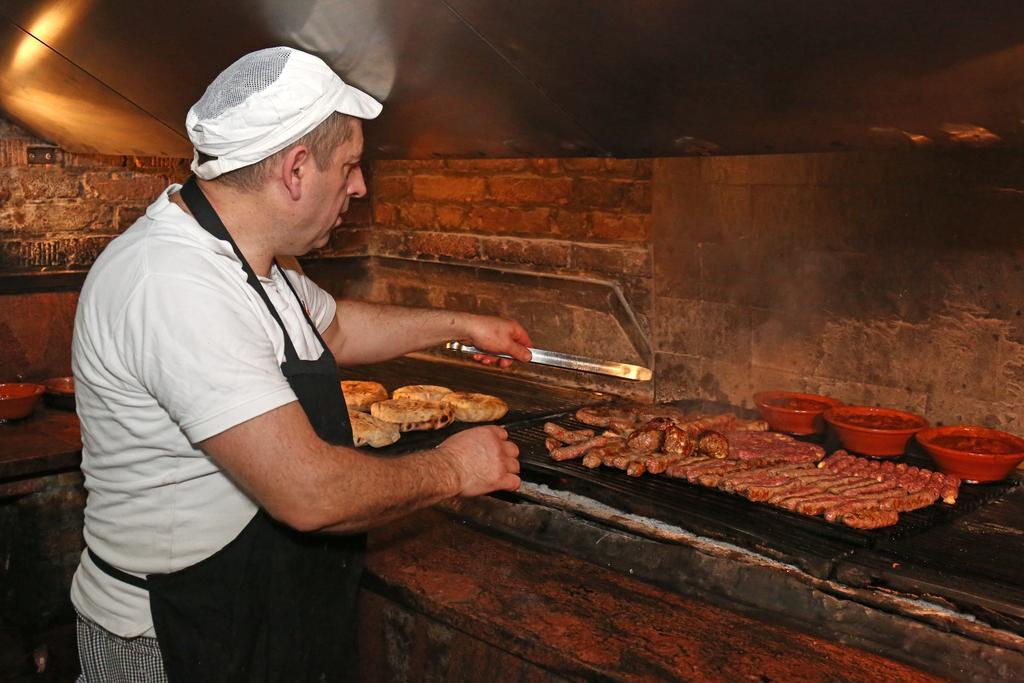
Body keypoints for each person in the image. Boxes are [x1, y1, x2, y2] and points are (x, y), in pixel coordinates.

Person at [70, 46, 531, 682]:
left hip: (252, 614)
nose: (360, 186)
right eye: (350, 166)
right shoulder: (173, 283)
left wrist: (460, 325)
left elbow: (334, 328)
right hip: (167, 639)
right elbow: (309, 493)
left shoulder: (262, 262)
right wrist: (456, 465)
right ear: (295, 170)